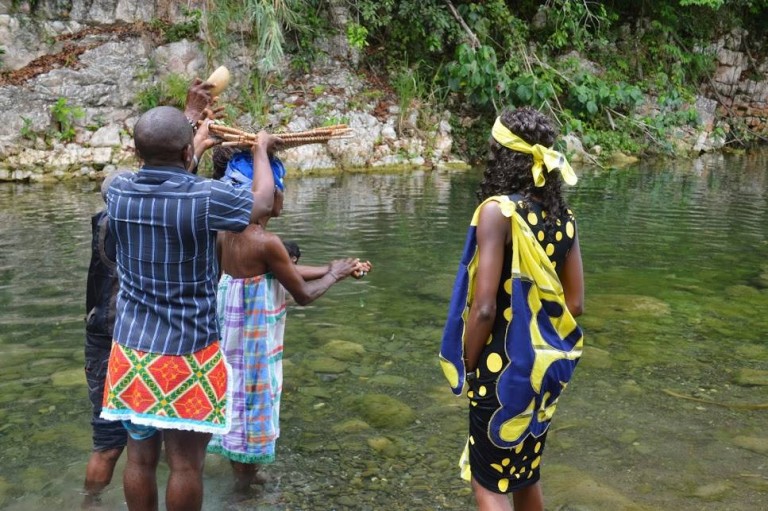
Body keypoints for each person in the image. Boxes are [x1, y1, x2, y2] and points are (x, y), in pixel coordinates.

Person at [100, 105, 283, 511]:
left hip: (131, 351)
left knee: (141, 459)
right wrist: (261, 150)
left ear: (136, 151)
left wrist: (189, 146)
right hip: (189, 352)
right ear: (186, 154)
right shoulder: (204, 198)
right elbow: (263, 204)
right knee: (185, 466)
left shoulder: (116, 189)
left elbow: (158, 178)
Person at [438, 107, 585, 511]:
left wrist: (466, 366)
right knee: (524, 475)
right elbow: (574, 304)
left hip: (500, 370)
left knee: (489, 485)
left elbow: (484, 308)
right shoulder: (563, 218)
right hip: (542, 372)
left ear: (502, 156)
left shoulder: (497, 213)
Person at [207, 149, 372, 491]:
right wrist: (336, 276)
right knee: (255, 402)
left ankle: (243, 474)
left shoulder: (227, 232)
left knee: (238, 400)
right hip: (255, 344)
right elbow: (303, 294)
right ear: (269, 195)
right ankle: (244, 490)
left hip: (233, 342)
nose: (282, 196)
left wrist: (332, 266)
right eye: (280, 189)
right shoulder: (267, 242)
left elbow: (280, 271)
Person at [82, 171, 130, 508]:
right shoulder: (119, 228)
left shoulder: (104, 220)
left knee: (116, 442)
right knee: (110, 444)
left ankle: (90, 501)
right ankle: (89, 503)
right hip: (113, 341)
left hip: (102, 338)